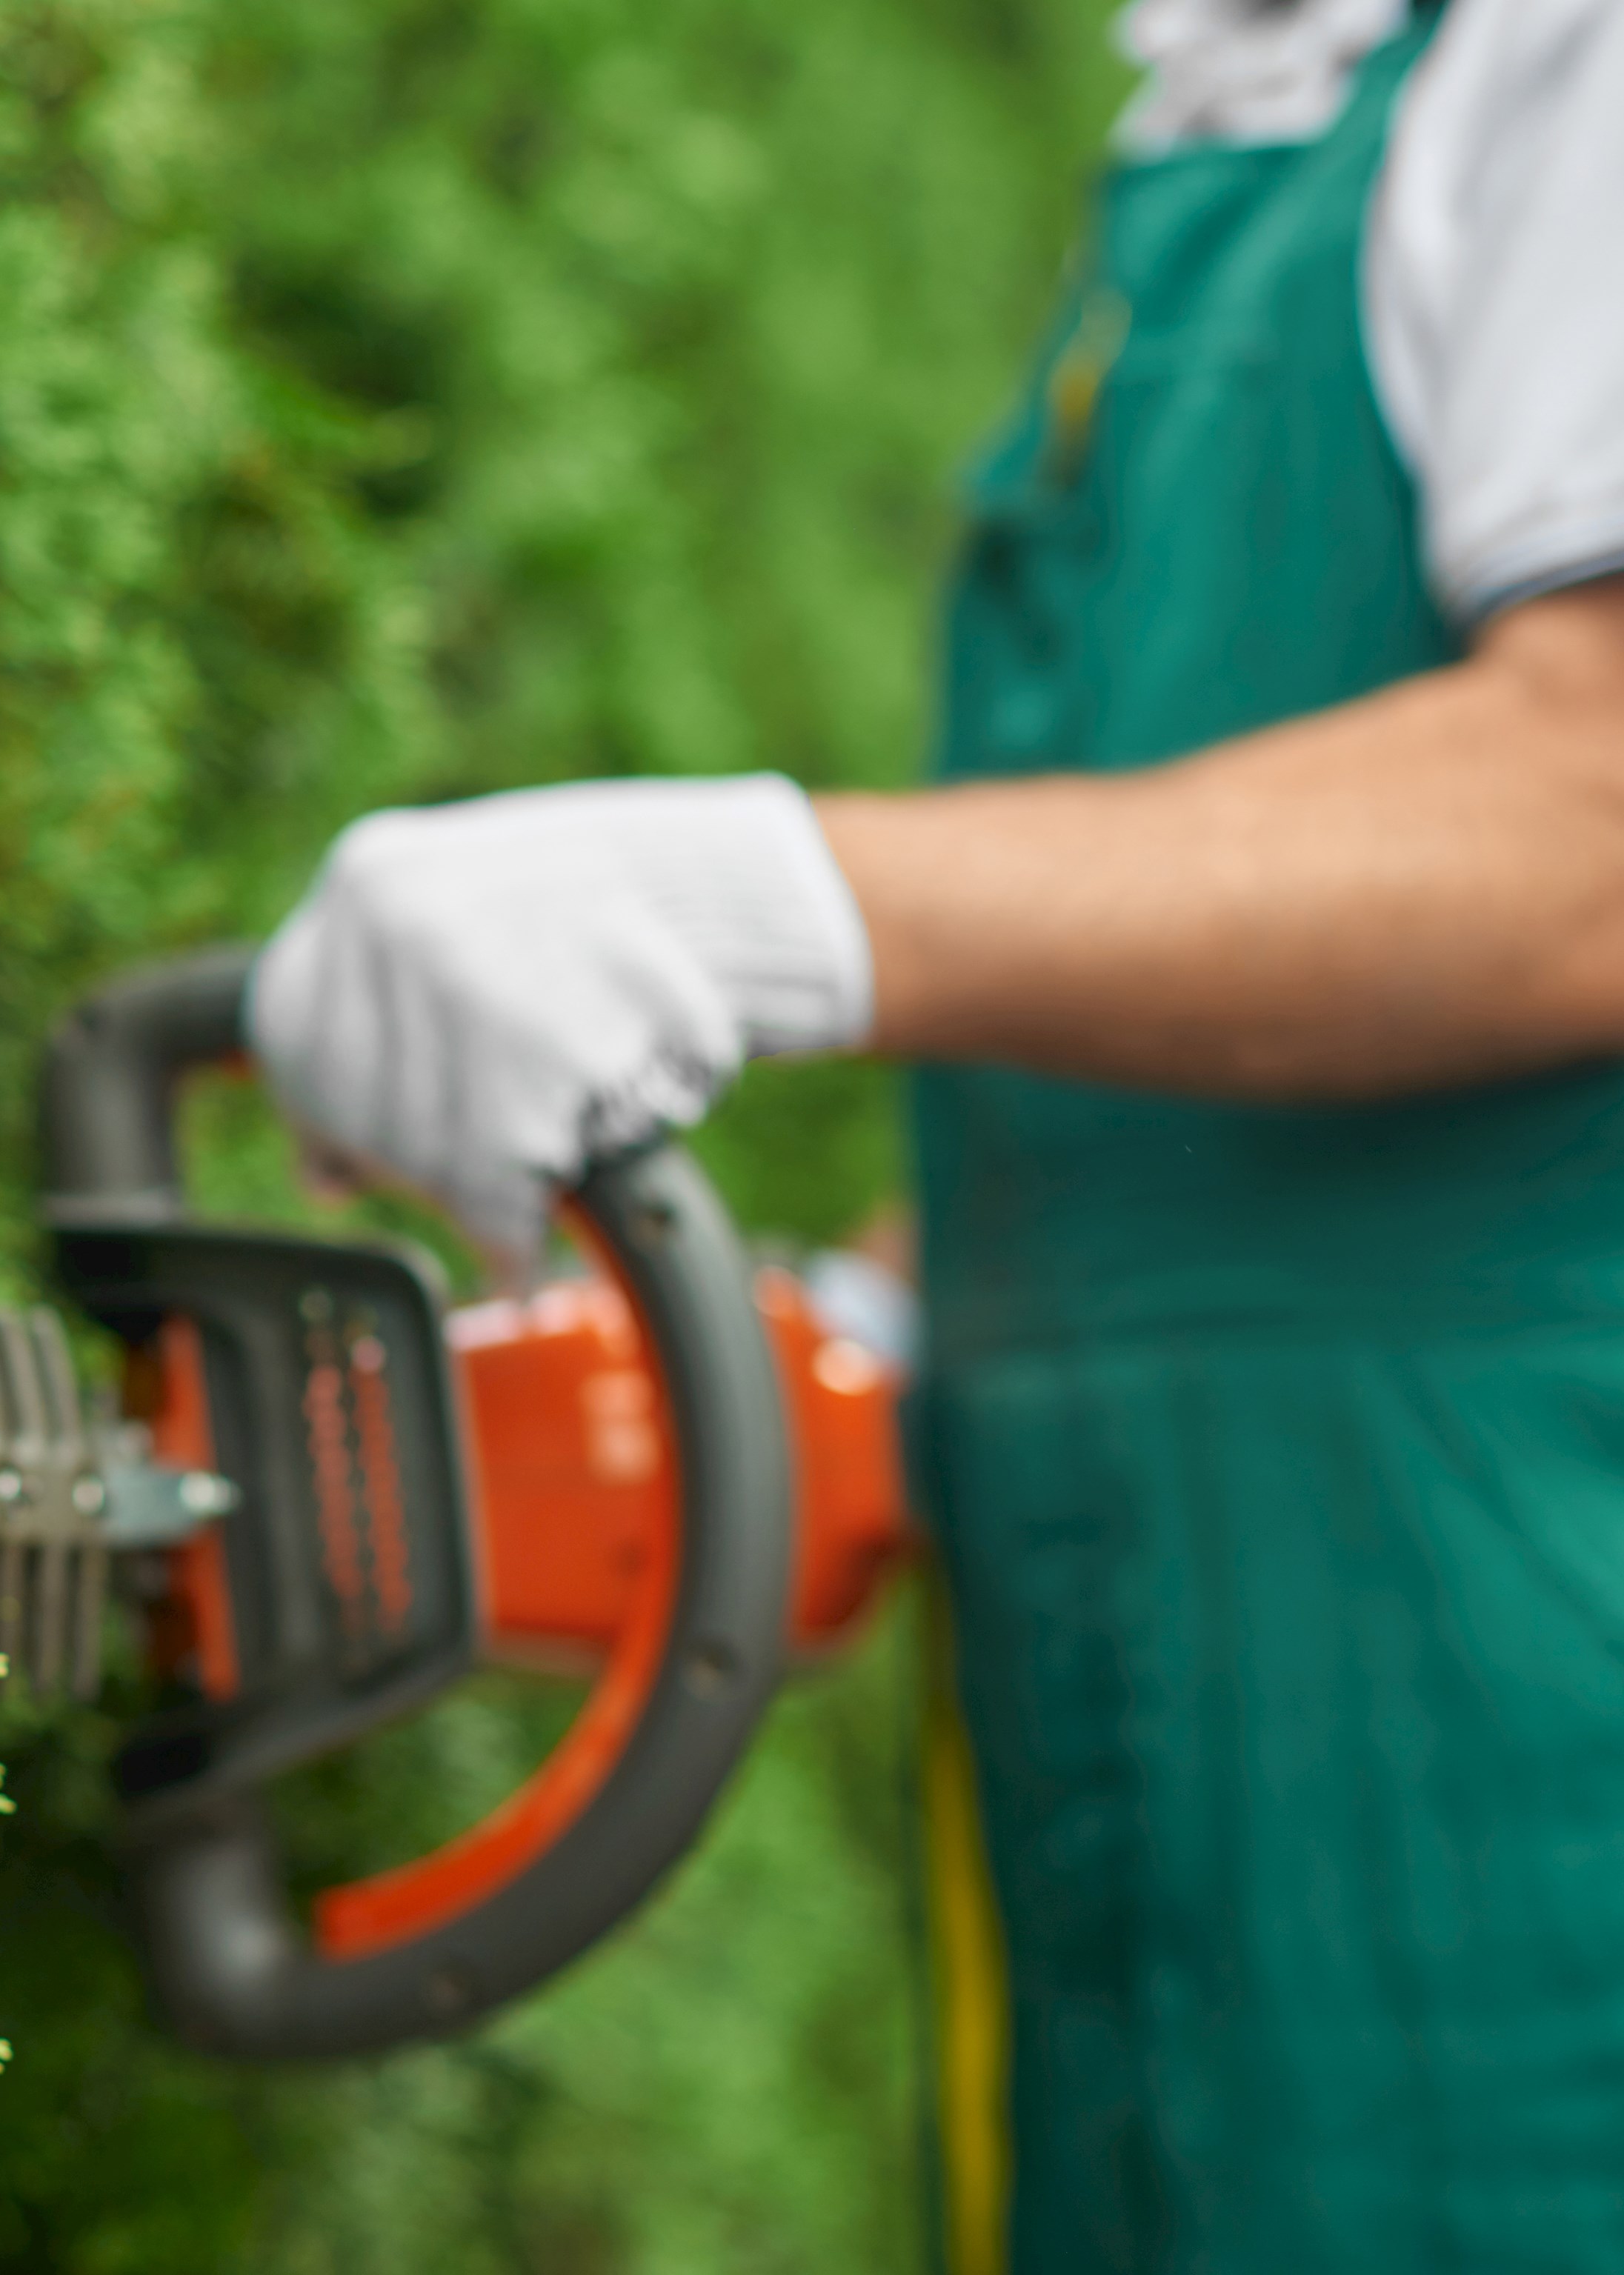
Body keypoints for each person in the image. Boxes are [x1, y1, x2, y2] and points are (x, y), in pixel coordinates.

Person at [244, 0, 1624, 2265]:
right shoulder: (1252, 126)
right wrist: (867, 1336)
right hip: (1149, 1709)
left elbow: (1596, 805)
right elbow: (1207, 919)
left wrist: (759, 896)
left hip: (1527, 1693)